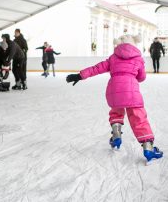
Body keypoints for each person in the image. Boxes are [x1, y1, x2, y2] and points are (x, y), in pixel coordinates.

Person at [66, 34, 163, 164]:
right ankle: (149, 149)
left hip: (113, 91)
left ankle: (116, 134)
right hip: (131, 92)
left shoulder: (113, 58)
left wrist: (80, 75)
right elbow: (142, 77)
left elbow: (96, 68)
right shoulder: (138, 59)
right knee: (138, 118)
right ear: (134, 44)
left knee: (116, 111)